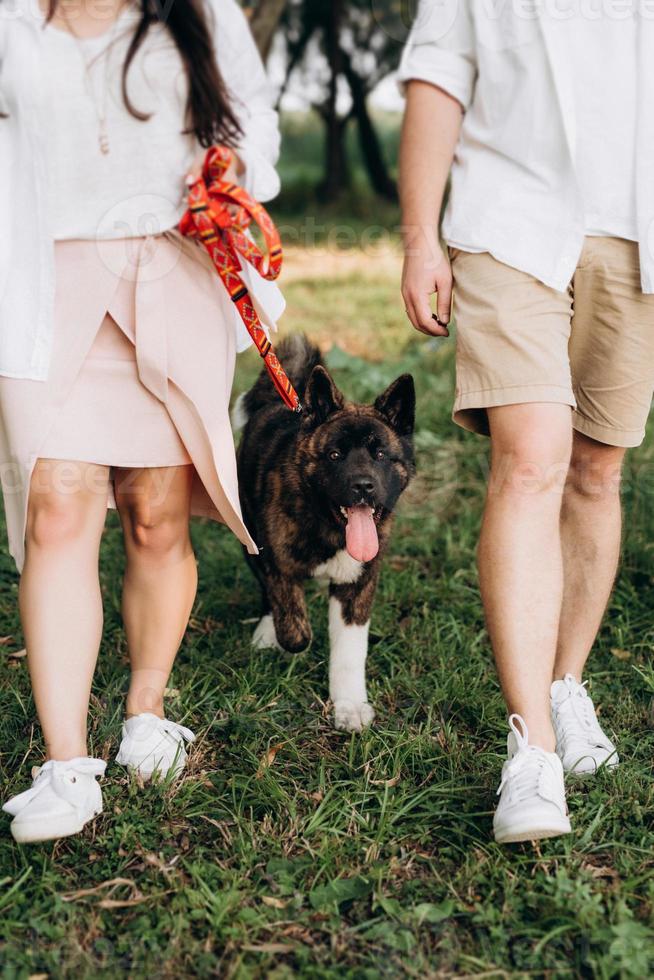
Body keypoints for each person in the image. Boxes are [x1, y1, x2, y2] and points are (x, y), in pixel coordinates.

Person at [0, 0, 282, 843]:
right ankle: (65, 764)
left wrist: (233, 175)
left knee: (157, 518)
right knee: (57, 506)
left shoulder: (197, 11)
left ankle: (147, 706)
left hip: (172, 272)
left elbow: (253, 120)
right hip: (44, 284)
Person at [398, 1, 654, 842]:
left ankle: (565, 685)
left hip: (637, 232)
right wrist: (418, 237)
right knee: (534, 460)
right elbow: (438, 76)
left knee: (596, 469)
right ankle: (532, 748)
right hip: (510, 223)